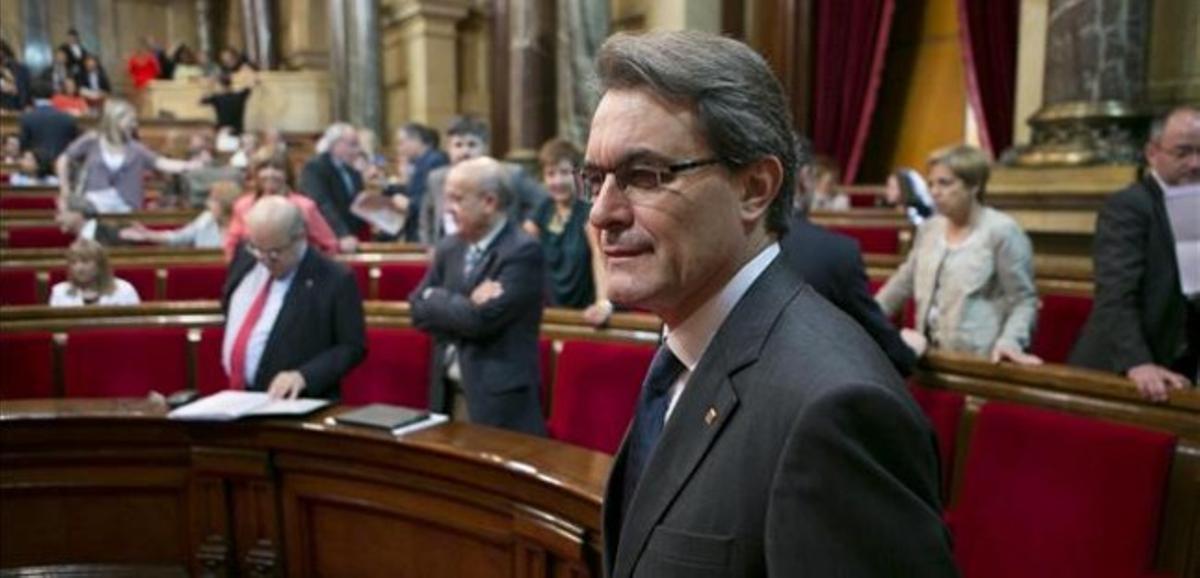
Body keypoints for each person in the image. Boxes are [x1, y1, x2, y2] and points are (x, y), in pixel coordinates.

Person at [588, 31, 954, 577]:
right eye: (594, 179)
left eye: (644, 176)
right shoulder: (692, 343)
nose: (601, 213)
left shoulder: (834, 409)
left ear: (754, 188)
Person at [409, 156, 547, 436]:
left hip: (497, 405)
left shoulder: (522, 251)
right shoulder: (449, 247)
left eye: (457, 199)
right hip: (445, 395)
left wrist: (437, 298)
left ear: (489, 202)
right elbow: (415, 308)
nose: (447, 209)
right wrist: (465, 302)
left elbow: (480, 322)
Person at [1070, 106, 1200, 401]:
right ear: (1153, 153)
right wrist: (1137, 361)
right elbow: (1116, 293)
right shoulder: (1128, 206)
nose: (1195, 163)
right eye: (1183, 152)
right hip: (1121, 367)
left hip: (1181, 368)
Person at [875, 144, 1040, 365]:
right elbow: (903, 282)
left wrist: (1010, 341)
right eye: (931, 183)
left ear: (973, 186)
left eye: (945, 183)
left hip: (977, 361)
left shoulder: (1002, 231)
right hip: (926, 359)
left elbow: (1023, 300)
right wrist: (866, 320)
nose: (934, 191)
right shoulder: (929, 229)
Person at [782, 137, 917, 377]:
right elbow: (876, 341)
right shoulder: (835, 253)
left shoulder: (726, 244)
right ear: (805, 178)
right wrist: (909, 352)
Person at [222, 196, 366, 399]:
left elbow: (352, 347)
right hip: (236, 399)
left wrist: (304, 376)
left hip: (293, 403)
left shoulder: (335, 279)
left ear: (300, 237)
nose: (263, 260)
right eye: (256, 248)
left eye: (274, 252)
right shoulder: (246, 257)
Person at [418, 116, 548, 245]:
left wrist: (527, 225)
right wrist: (430, 246)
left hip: (499, 253)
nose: (465, 152)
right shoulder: (436, 178)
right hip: (451, 255)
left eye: (472, 145)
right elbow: (426, 219)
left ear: (485, 148)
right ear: (448, 149)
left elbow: (544, 200)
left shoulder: (511, 175)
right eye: (458, 145)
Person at [55, 99, 201, 213]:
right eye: (130, 120)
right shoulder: (93, 140)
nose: (134, 125)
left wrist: (188, 165)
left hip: (125, 207)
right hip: (93, 206)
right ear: (116, 121)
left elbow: (160, 162)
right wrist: (65, 189)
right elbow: (63, 159)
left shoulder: (136, 149)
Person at [524, 138, 612, 324]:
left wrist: (602, 302)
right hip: (551, 310)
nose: (557, 181)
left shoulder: (589, 211)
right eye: (550, 174)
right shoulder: (542, 210)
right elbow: (525, 256)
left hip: (584, 310)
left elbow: (599, 256)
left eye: (564, 173)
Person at [225, 153, 338, 260]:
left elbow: (329, 244)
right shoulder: (243, 206)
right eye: (264, 168)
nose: (270, 174)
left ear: (287, 174)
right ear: (255, 174)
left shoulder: (305, 206)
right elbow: (232, 245)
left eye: (277, 169)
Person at [300, 123, 365, 253]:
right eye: (353, 145)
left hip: (351, 241)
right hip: (327, 240)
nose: (357, 151)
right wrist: (342, 234)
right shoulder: (315, 168)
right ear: (336, 145)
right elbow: (321, 204)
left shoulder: (353, 171)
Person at [121, 180, 241, 248]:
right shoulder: (206, 218)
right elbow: (179, 237)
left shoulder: (241, 229)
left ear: (226, 205)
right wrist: (148, 235)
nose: (207, 204)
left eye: (213, 200)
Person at [385, 122, 448, 241]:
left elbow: (435, 200)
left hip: (426, 231)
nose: (399, 149)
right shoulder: (421, 162)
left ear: (415, 140)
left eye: (401, 143)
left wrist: (410, 204)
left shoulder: (435, 161)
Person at [49, 238, 140, 306]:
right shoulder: (59, 292)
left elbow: (137, 327)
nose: (79, 268)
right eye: (74, 262)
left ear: (100, 264)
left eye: (85, 261)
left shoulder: (124, 290)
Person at [20, 78, 80, 177]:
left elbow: (24, 146)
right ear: (53, 96)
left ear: (33, 97)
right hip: (61, 169)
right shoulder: (68, 118)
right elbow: (74, 145)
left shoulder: (27, 118)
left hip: (36, 171)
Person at [55, 195, 123, 245]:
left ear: (78, 213)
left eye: (60, 213)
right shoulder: (77, 241)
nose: (57, 219)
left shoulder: (112, 235)